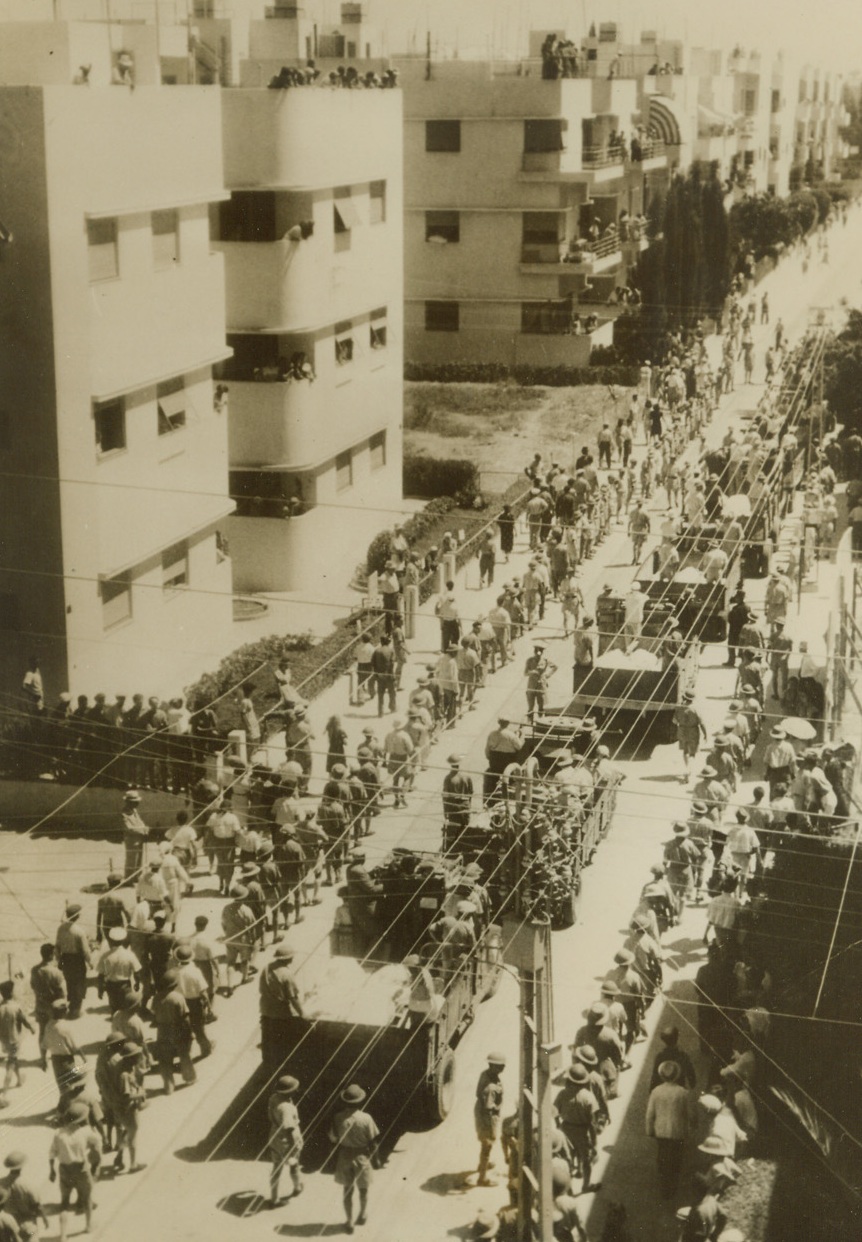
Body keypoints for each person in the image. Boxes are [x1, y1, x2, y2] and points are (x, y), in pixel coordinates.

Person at [328, 1083, 379, 1234]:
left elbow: (333, 1138)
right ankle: (362, 1215)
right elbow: (373, 1141)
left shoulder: (337, 1118)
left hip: (344, 1155)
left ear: (345, 1101)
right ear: (360, 1101)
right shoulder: (366, 1118)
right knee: (363, 1189)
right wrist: (376, 1159)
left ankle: (349, 1222)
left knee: (347, 1191)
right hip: (362, 1156)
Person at [48, 1101, 101, 1240]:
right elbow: (97, 1142)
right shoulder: (85, 1132)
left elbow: (52, 1154)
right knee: (87, 1199)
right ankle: (89, 1226)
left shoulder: (58, 1134)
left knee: (64, 1203)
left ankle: (63, 1235)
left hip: (64, 1170)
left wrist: (52, 1171)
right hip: (81, 1169)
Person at [645, 1060, 690, 1199]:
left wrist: (649, 1130)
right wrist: (693, 1125)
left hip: (661, 1131)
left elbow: (650, 1114)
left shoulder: (656, 1091)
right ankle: (673, 1185)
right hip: (678, 1131)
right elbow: (690, 1113)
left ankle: (664, 1184)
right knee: (676, 1158)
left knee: (662, 1156)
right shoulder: (682, 1092)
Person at [553, 1063, 598, 1194]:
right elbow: (592, 1123)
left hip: (565, 1129)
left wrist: (558, 1124)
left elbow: (555, 1112)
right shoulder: (589, 1097)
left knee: (568, 1161)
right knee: (586, 1160)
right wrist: (594, 1142)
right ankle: (586, 1185)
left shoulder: (562, 1094)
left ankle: (568, 1188)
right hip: (583, 1131)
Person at [152, 969, 195, 1094]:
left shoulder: (156, 998)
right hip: (177, 1029)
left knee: (165, 1059)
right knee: (184, 1055)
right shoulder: (178, 997)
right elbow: (185, 1017)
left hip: (162, 1030)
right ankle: (189, 1078)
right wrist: (189, 1032)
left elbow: (154, 1015)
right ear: (174, 985)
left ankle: (168, 1086)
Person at [268, 1074, 304, 1207]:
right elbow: (289, 1129)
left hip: (274, 1137)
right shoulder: (286, 1108)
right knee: (294, 1165)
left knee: (276, 1167)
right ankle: (297, 1187)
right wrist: (293, 1147)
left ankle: (274, 1198)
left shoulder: (274, 1098)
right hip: (286, 1141)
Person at [29, 944, 66, 1071]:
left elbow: (33, 986)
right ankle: (57, 1056)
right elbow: (62, 992)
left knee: (42, 1032)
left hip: (40, 1005)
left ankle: (43, 1059)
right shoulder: (56, 972)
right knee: (57, 1031)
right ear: (51, 955)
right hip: (54, 1007)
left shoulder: (34, 970)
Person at [1, 1150, 48, 1240]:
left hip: (9, 1225)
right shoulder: (28, 1184)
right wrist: (45, 1219)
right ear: (22, 1166)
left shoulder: (1, 1183)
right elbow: (37, 1206)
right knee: (33, 1234)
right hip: (28, 1226)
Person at [0, 981, 33, 1107]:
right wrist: (31, 1028)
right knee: (11, 1063)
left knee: (14, 1059)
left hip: (4, 1040)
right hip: (14, 1040)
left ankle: (19, 1079)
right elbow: (23, 1020)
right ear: (11, 993)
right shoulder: (15, 1007)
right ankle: (4, 1094)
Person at [55, 903, 91, 1020]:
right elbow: (85, 950)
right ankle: (76, 1010)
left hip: (65, 959)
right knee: (79, 984)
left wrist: (59, 960)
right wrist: (90, 962)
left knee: (70, 982)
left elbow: (57, 947)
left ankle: (72, 1007)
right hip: (77, 960)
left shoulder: (60, 928)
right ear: (77, 916)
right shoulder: (79, 931)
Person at [474, 1053, 506, 1186]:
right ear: (493, 1066)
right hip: (488, 1116)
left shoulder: (486, 1074)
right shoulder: (491, 1088)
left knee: (485, 1143)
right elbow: (488, 1109)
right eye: (500, 1066)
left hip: (482, 1111)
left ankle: (483, 1164)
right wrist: (490, 1128)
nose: (503, 1068)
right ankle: (482, 1178)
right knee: (487, 1144)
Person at [673, 691, 707, 781]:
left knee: (685, 751)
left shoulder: (679, 708)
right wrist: (705, 734)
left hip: (682, 730)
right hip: (693, 731)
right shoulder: (695, 709)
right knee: (692, 753)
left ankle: (687, 768)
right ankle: (688, 769)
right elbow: (701, 723)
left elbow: (674, 721)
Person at [442, 754, 473, 851]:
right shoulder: (467, 776)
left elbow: (445, 797)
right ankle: (464, 847)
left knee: (453, 830)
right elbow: (471, 792)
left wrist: (445, 812)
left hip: (453, 806)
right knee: (465, 828)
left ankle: (452, 849)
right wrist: (468, 805)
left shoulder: (448, 779)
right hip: (465, 805)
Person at [650, 1026, 696, 1090]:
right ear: (677, 1038)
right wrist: (692, 1083)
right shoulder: (682, 1055)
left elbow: (655, 1077)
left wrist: (652, 1089)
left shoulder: (660, 1056)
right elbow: (690, 1073)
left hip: (664, 1089)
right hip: (679, 1086)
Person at [524, 641, 556, 721]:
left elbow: (555, 667)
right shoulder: (529, 660)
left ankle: (540, 721)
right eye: (536, 653)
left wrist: (547, 675)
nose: (538, 655)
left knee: (541, 706)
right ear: (534, 652)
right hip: (531, 685)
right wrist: (532, 672)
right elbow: (525, 673)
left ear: (542, 652)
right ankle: (529, 722)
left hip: (541, 686)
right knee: (530, 707)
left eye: (540, 652)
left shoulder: (545, 661)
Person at [371, 636, 397, 717]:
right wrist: (391, 674)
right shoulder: (391, 650)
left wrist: (377, 673)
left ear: (381, 642)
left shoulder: (376, 651)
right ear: (388, 642)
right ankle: (392, 707)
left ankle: (380, 712)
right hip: (389, 675)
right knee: (392, 693)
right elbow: (392, 663)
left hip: (380, 676)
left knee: (380, 694)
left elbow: (372, 663)